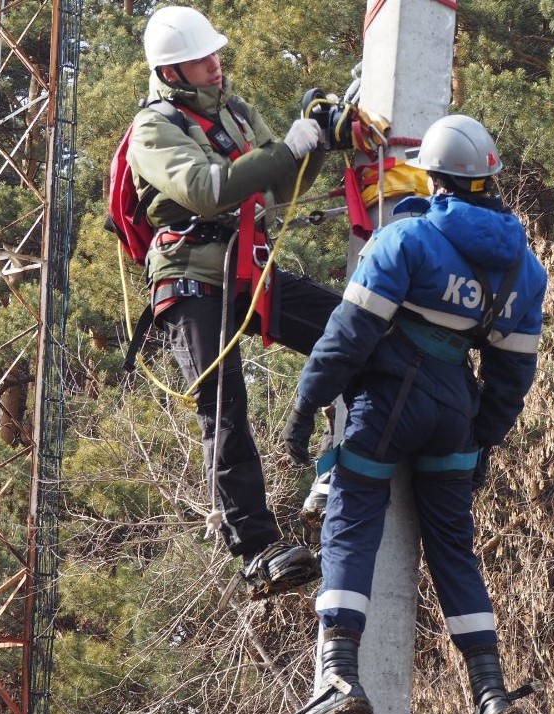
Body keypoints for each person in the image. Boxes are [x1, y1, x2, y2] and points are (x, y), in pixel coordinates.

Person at [272, 115, 547, 714]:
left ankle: (340, 671)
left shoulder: (409, 240)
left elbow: (348, 335)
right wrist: (478, 444)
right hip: (456, 410)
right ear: (489, 177)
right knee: (455, 551)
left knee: (351, 518)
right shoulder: (524, 270)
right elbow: (512, 377)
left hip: (389, 400)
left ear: (433, 176)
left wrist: (307, 403)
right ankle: (489, 692)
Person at [129, 5, 343, 598]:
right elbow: (206, 190)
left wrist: (316, 140)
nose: (215, 65)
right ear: (172, 72)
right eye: (202, 60)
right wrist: (288, 148)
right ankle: (256, 548)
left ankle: (338, 465)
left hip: (247, 266)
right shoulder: (153, 129)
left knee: (350, 328)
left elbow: (283, 185)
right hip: (192, 275)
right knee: (224, 407)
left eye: (215, 54)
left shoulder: (235, 114)